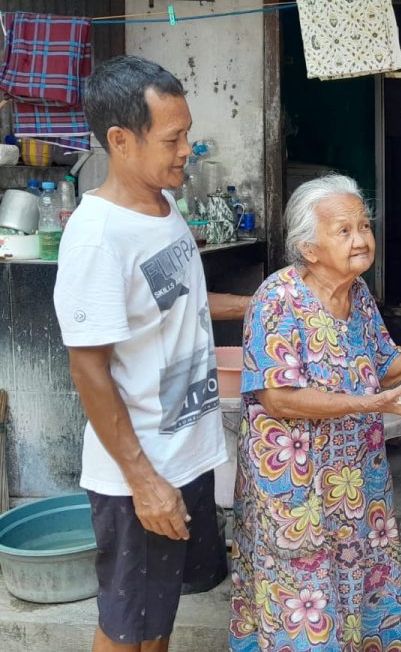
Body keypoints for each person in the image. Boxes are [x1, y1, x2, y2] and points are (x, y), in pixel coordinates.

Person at [53, 55, 250, 652]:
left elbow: (184, 303)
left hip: (184, 454)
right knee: (124, 628)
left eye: (186, 132)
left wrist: (265, 299)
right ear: (120, 140)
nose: (187, 148)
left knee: (154, 620)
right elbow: (87, 367)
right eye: (173, 137)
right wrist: (144, 482)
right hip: (137, 471)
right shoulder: (97, 236)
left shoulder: (163, 212)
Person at [229, 174, 401, 651]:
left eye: (364, 226)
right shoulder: (277, 299)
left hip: (352, 479)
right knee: (301, 592)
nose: (362, 239)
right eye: (343, 231)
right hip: (295, 486)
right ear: (308, 247)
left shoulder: (359, 295)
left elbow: (383, 365)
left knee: (357, 570)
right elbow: (277, 397)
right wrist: (370, 404)